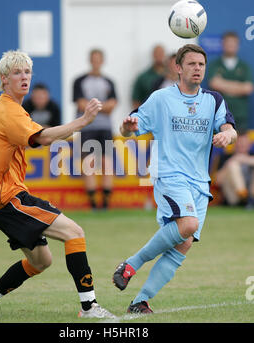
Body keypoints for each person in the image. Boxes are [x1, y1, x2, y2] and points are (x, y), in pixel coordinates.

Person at [0, 50, 115, 319]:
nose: (24, 77)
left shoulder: (0, 107)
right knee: (74, 233)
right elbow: (43, 138)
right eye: (17, 72)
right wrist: (82, 121)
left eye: (27, 72)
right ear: (3, 78)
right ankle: (89, 307)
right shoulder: (8, 110)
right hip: (8, 198)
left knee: (41, 261)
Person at [112, 44, 237, 314]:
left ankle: (140, 301)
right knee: (188, 224)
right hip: (170, 175)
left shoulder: (213, 99)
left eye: (201, 65)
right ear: (178, 68)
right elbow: (128, 128)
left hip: (199, 183)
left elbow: (228, 127)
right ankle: (131, 264)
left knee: (184, 242)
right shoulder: (160, 99)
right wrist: (126, 126)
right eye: (191, 64)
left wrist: (228, 134)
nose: (197, 69)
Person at [73, 49, 117, 210]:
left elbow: (113, 105)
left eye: (99, 59)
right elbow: (80, 104)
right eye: (94, 59)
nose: (96, 62)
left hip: (105, 128)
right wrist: (103, 107)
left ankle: (105, 203)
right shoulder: (79, 81)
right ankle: (93, 203)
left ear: (102, 61)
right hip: (87, 128)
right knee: (88, 164)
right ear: (90, 60)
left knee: (107, 163)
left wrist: (93, 107)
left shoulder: (109, 82)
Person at [207, 31, 254, 131]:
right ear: (222, 44)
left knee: (240, 146)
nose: (230, 46)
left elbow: (248, 88)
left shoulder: (244, 66)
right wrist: (238, 86)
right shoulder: (214, 64)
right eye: (228, 43)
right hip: (219, 115)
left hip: (240, 116)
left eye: (233, 43)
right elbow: (214, 83)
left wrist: (223, 84)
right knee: (219, 143)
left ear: (238, 45)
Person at [215, 131, 254, 208]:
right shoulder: (225, 157)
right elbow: (217, 181)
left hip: (251, 192)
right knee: (233, 165)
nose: (242, 145)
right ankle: (243, 195)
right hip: (233, 197)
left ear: (249, 145)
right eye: (240, 142)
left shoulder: (252, 155)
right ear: (235, 144)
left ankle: (250, 199)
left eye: (244, 143)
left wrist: (244, 159)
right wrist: (231, 161)